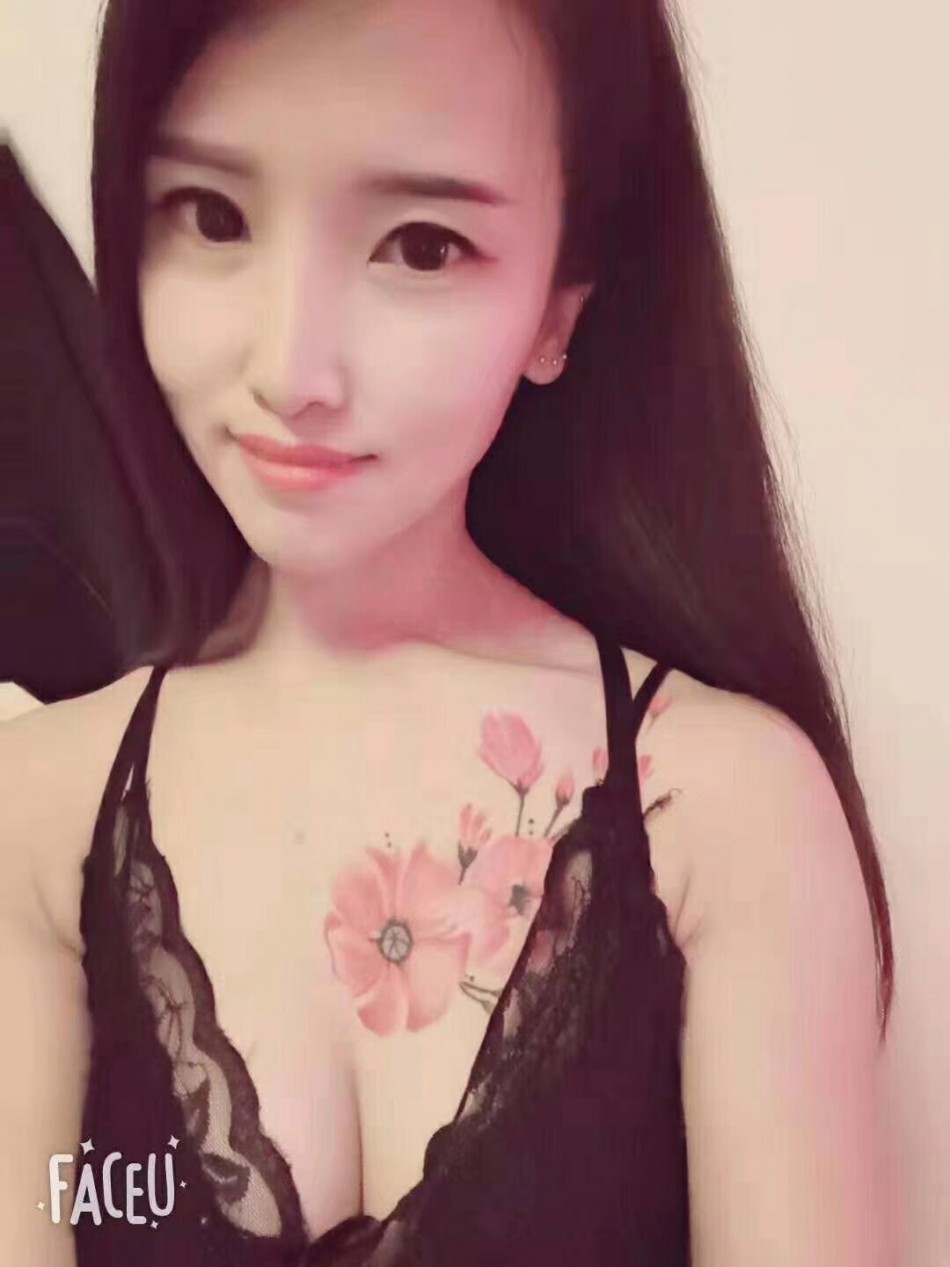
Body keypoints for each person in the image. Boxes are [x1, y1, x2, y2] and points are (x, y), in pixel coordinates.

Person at [0, 0, 898, 1264]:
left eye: (420, 245)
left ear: (560, 305)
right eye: (211, 216)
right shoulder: (36, 817)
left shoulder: (724, 810)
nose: (291, 368)